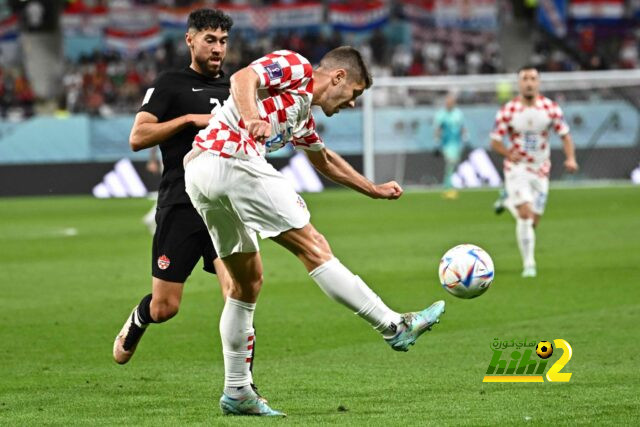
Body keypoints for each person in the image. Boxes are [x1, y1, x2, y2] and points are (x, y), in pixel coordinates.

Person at [183, 46, 446, 416]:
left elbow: (322, 158)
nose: (352, 104)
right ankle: (393, 326)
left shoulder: (301, 113)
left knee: (246, 283)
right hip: (232, 158)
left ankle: (237, 391)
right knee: (314, 246)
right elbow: (243, 78)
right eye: (354, 93)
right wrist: (252, 116)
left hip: (200, 174)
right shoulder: (297, 67)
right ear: (338, 77)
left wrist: (372, 188)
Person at [112, 9, 263, 382]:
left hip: (226, 206)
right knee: (166, 307)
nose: (217, 49)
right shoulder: (170, 84)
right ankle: (140, 318)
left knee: (238, 293)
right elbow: (137, 137)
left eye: (223, 41)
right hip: (181, 204)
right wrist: (190, 120)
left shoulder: (236, 89)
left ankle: (241, 385)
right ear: (190, 40)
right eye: (210, 40)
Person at [490, 65, 578, 278]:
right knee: (526, 215)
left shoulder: (551, 109)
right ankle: (529, 264)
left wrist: (571, 158)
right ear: (519, 83)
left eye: (533, 78)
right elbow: (495, 141)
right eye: (525, 79)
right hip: (517, 168)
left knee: (534, 221)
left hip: (541, 169)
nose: (529, 82)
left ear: (538, 82)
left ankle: (508, 201)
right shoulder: (508, 110)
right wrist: (508, 153)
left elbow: (565, 135)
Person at [434, 92, 467, 199]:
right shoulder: (441, 114)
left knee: (452, 165)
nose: (449, 104)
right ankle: (448, 188)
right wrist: (437, 141)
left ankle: (448, 186)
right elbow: (438, 129)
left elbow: (462, 126)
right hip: (446, 144)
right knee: (450, 162)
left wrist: (465, 136)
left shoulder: (458, 113)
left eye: (451, 102)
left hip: (457, 143)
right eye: (447, 102)